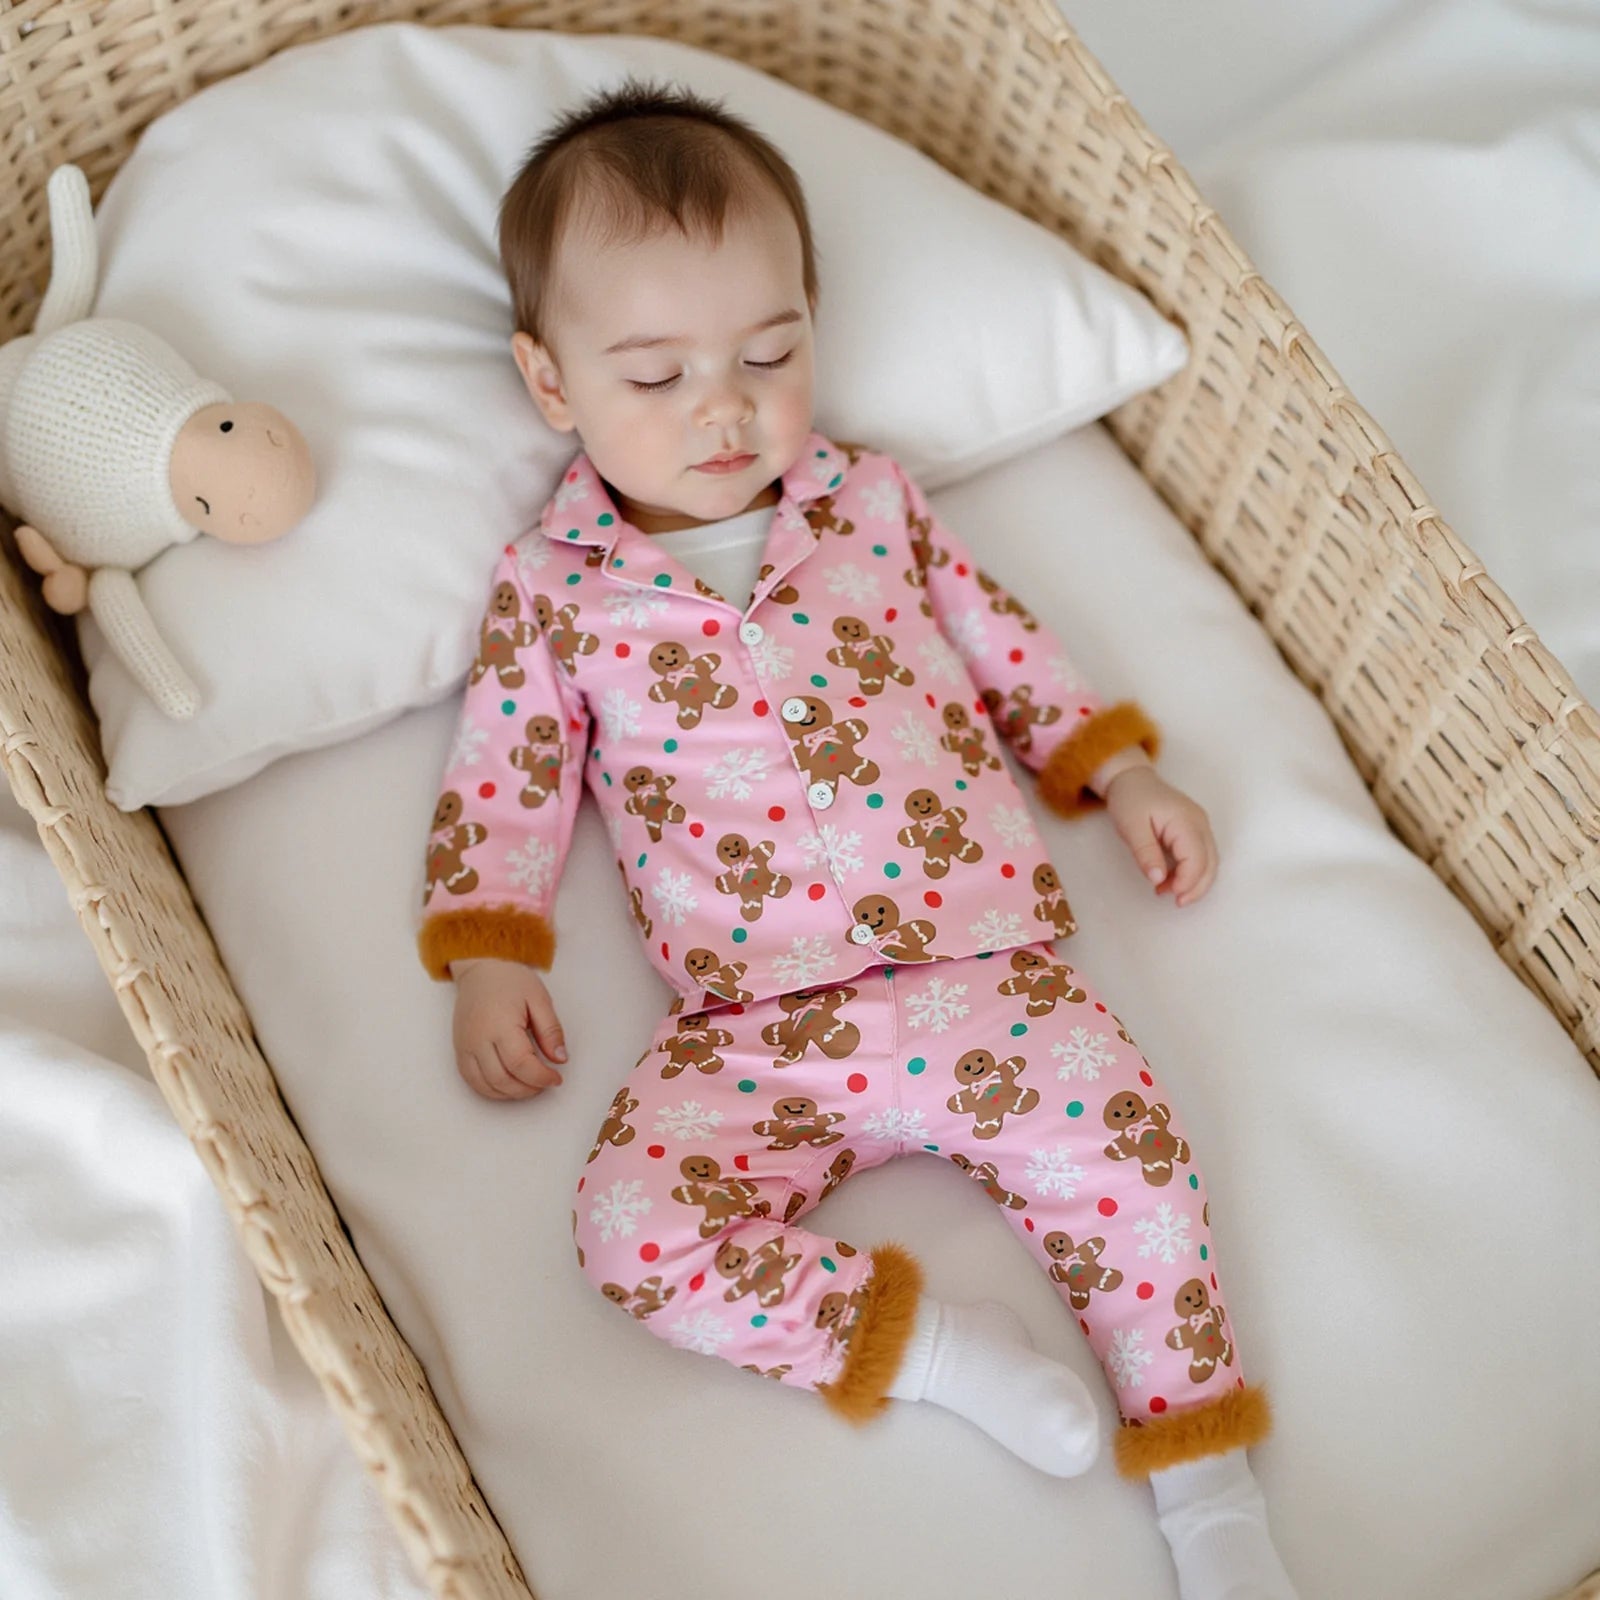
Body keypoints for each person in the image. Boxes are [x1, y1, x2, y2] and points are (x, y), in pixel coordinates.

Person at [417, 76, 1297, 1600]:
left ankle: (1213, 1499)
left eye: (770, 353)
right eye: (656, 374)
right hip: (755, 1023)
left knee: (1140, 1177)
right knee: (633, 1229)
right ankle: (937, 1354)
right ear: (550, 384)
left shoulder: (871, 505)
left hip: (988, 973)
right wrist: (490, 958)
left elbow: (1006, 643)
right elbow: (505, 771)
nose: (725, 405)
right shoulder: (558, 588)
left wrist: (1125, 773)